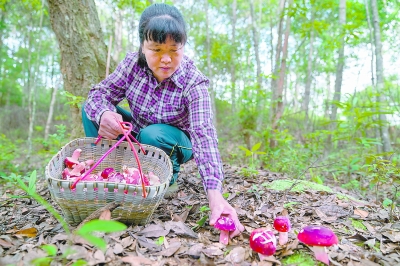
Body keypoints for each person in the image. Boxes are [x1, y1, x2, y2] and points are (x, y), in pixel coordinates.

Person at [82, 3, 244, 239]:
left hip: (177, 140)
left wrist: (215, 195)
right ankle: (109, 174)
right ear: (143, 47)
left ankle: (168, 178)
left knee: (152, 134)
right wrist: (104, 114)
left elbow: (203, 135)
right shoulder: (131, 65)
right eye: (156, 50)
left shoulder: (193, 82)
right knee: (91, 110)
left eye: (174, 50)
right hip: (138, 130)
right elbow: (99, 94)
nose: (166, 59)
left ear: (183, 47)